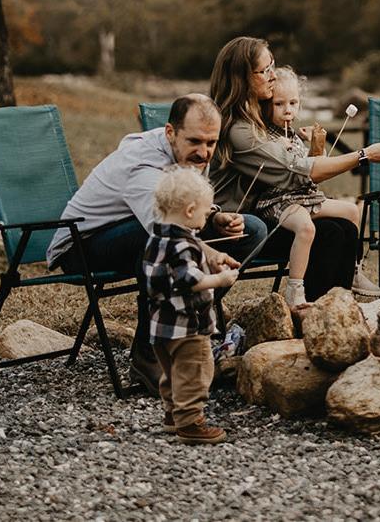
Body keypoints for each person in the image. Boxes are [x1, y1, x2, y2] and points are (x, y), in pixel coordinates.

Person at [45, 93, 265, 391]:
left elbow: (185, 207)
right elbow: (163, 228)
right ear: (170, 133)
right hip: (83, 245)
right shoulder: (143, 163)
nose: (204, 153)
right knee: (161, 246)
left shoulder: (188, 152)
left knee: (252, 230)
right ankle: (149, 359)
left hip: (147, 230)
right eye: (195, 141)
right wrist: (209, 253)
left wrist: (214, 218)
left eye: (211, 143)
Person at [208, 35, 380, 307]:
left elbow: (299, 169)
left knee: (344, 227)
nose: (273, 75)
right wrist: (365, 155)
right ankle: (312, 310)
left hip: (264, 215)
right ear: (242, 78)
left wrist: (315, 145)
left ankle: (337, 308)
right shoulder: (240, 130)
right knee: (329, 233)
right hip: (235, 227)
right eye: (264, 70)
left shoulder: (263, 118)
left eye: (272, 66)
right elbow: (301, 172)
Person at [254, 67, 372, 307]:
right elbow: (288, 174)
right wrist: (283, 150)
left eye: (293, 103)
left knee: (351, 212)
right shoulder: (265, 138)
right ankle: (297, 289)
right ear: (265, 105)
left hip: (304, 198)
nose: (288, 110)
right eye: (279, 104)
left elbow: (313, 174)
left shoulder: (295, 137)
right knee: (310, 228)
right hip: (279, 202)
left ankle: (353, 271)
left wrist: (316, 148)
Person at [143, 166, 238, 444]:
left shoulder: (158, 237)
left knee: (174, 372)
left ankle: (173, 415)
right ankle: (190, 423)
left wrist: (214, 258)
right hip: (187, 325)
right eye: (205, 213)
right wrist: (219, 279)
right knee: (195, 372)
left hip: (161, 325)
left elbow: (173, 272)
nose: (206, 218)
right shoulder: (182, 245)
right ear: (189, 210)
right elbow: (188, 279)